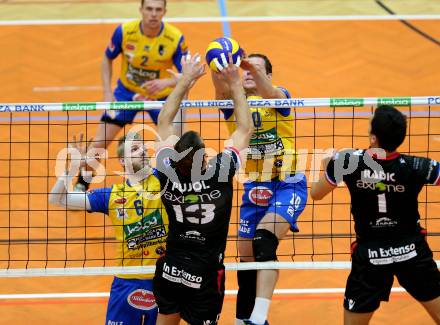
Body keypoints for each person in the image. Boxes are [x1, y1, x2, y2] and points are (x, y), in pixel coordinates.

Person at [311, 105, 440, 324]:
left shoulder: (347, 162)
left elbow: (316, 194)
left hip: (370, 257)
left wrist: (329, 166)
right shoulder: (418, 166)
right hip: (411, 252)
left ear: (373, 138)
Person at [152, 53, 253, 325]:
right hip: (205, 272)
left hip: (171, 267)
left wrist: (185, 81)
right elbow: (245, 129)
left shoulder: (166, 172)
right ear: (204, 158)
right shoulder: (219, 171)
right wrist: (235, 86)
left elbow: (164, 121)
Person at [212, 53, 308, 325]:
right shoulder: (235, 104)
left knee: (264, 240)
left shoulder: (280, 97)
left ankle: (258, 315)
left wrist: (254, 70)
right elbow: (220, 91)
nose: (249, 72)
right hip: (255, 187)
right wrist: (214, 63)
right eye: (246, 69)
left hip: (288, 183)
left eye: (257, 69)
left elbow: (273, 93)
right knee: (246, 261)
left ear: (268, 74)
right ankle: (243, 319)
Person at [49, 132, 169, 325]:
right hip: (126, 281)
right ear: (122, 160)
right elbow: (57, 199)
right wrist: (74, 167)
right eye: (135, 149)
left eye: (144, 147)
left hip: (164, 280)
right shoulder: (112, 196)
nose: (144, 151)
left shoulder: (165, 181)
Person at [75, 0, 188, 191]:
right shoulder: (125, 31)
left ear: (164, 12)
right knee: (99, 144)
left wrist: (166, 82)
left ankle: (175, 187)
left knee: (174, 145)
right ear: (141, 10)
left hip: (160, 98)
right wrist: (107, 92)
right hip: (126, 94)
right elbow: (107, 59)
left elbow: (187, 73)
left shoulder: (175, 38)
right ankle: (82, 183)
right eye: (149, 9)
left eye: (158, 10)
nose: (153, 14)